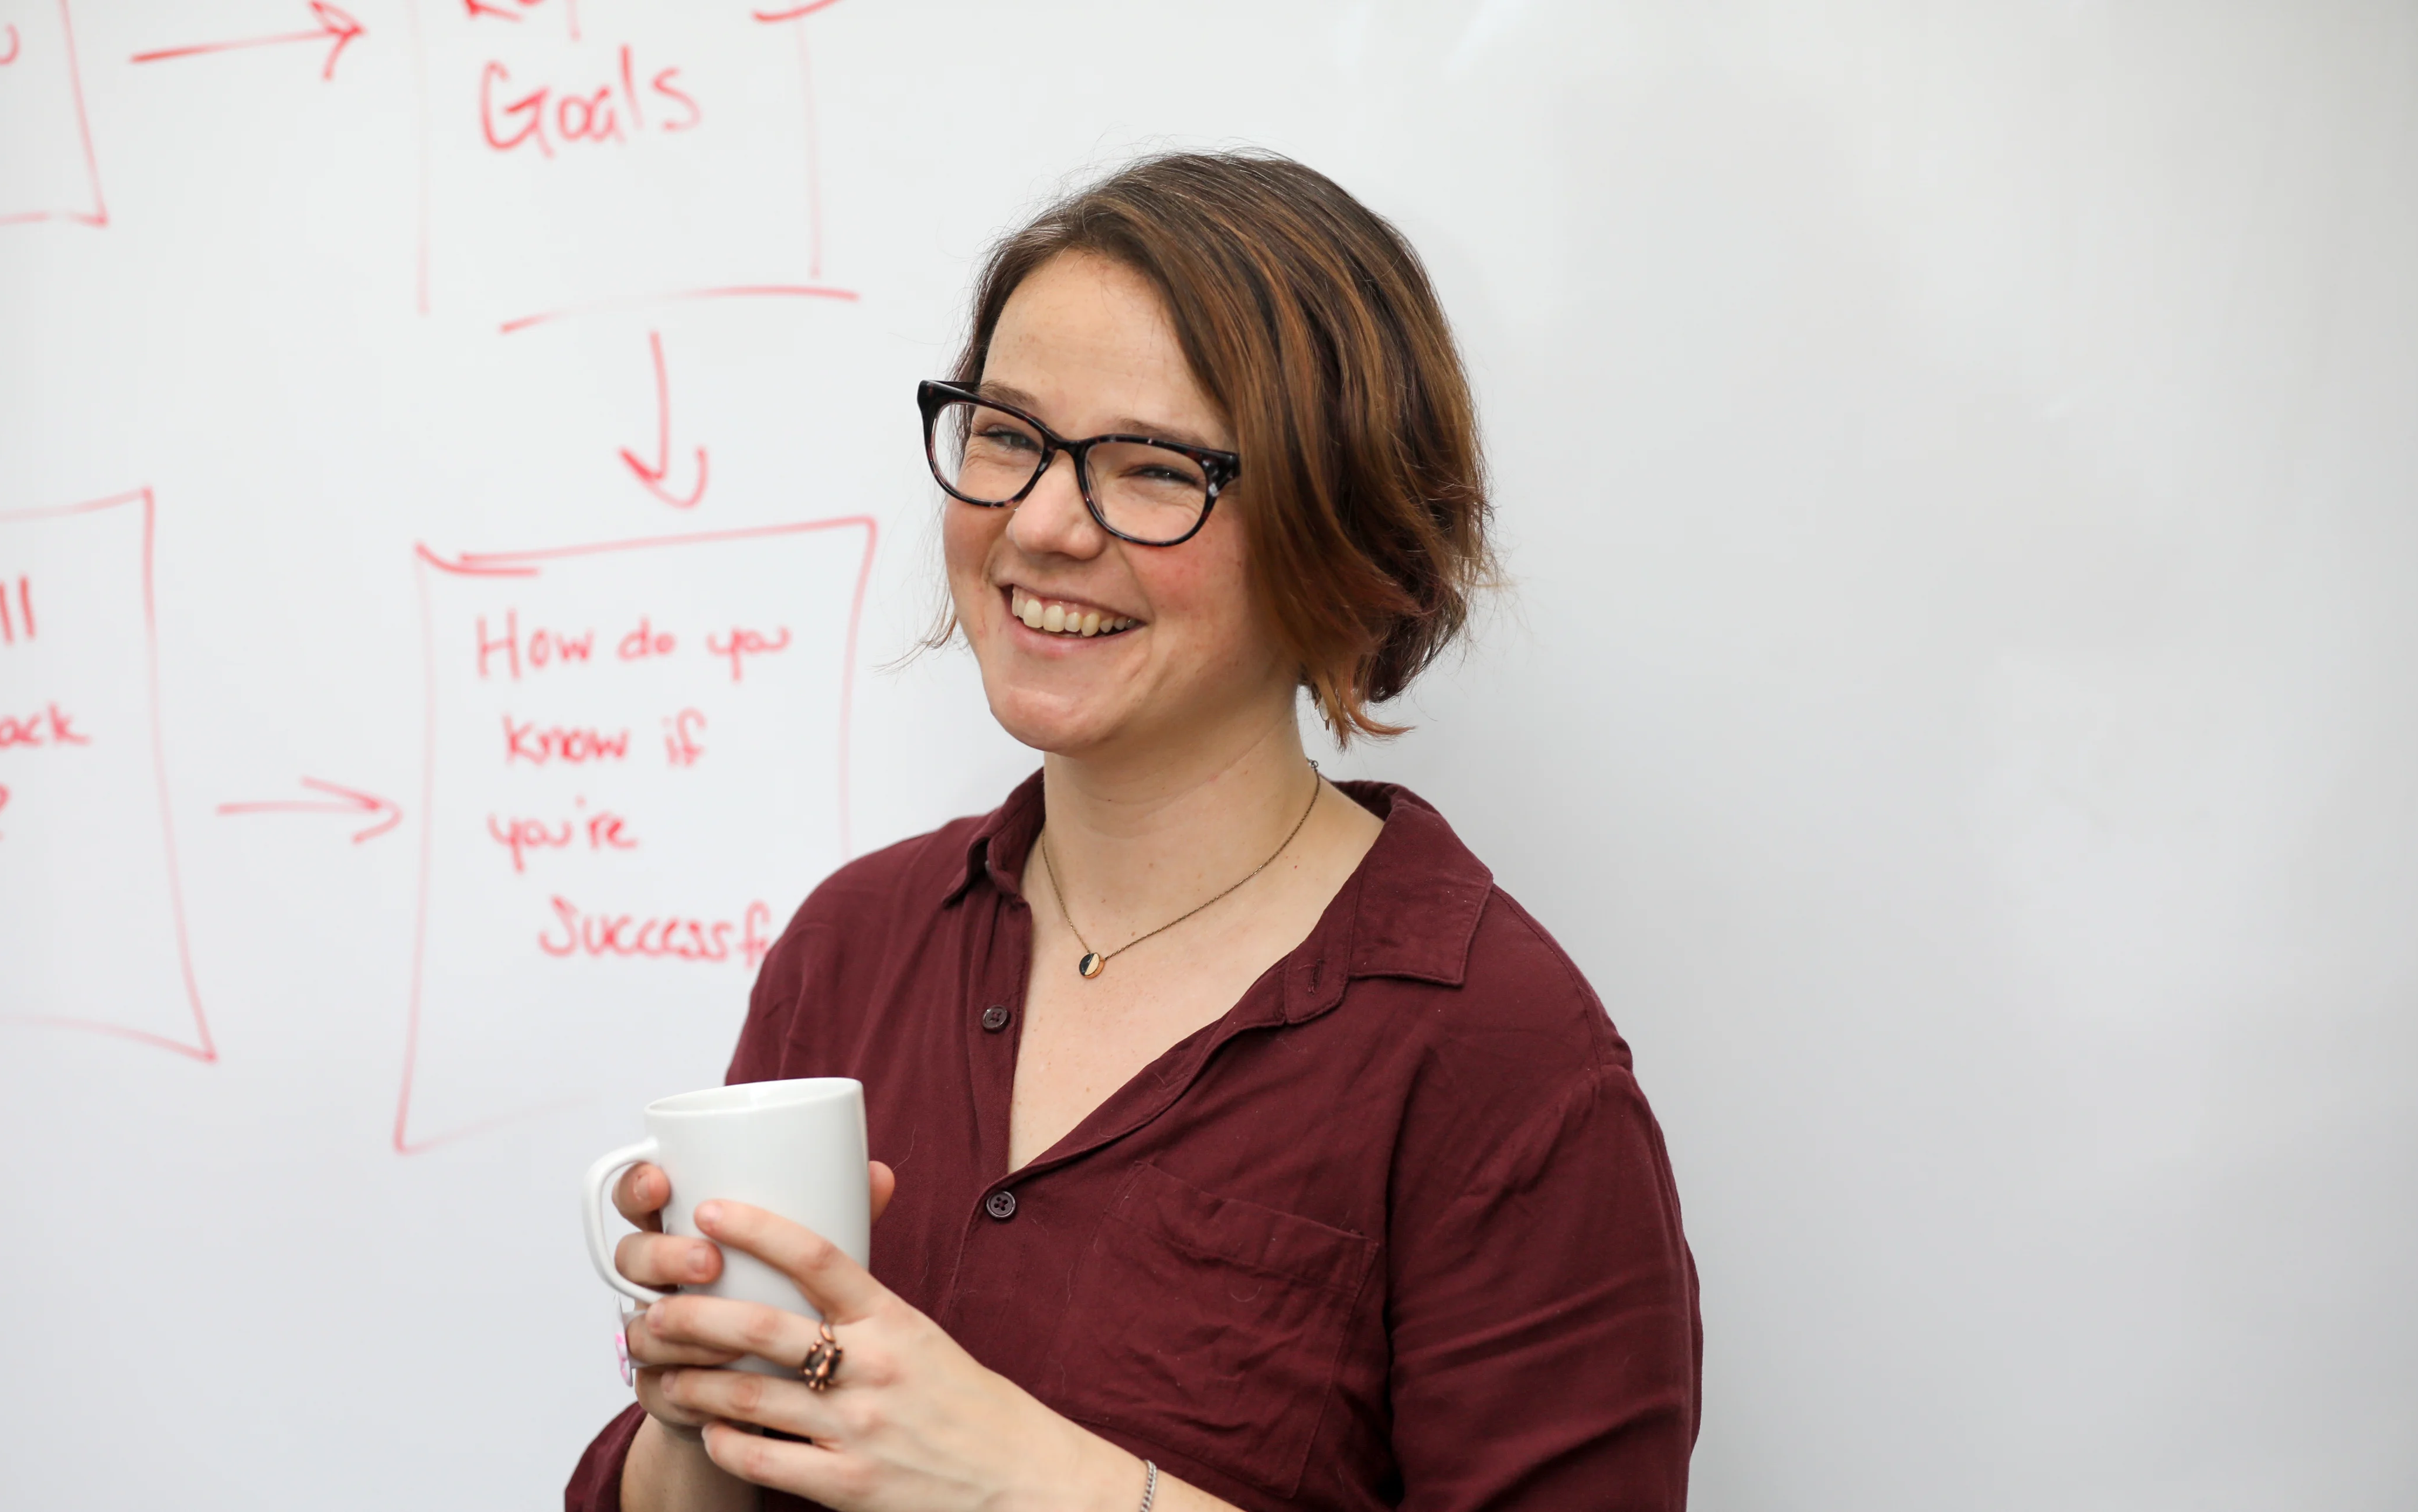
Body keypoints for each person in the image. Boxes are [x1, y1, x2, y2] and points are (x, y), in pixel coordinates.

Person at [567, 151, 1701, 1512]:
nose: (1039, 523)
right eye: (1005, 435)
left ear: (1343, 532)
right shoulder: (855, 944)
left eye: (1152, 468)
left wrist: (1017, 1477)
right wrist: (708, 1397)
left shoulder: (1504, 1058)